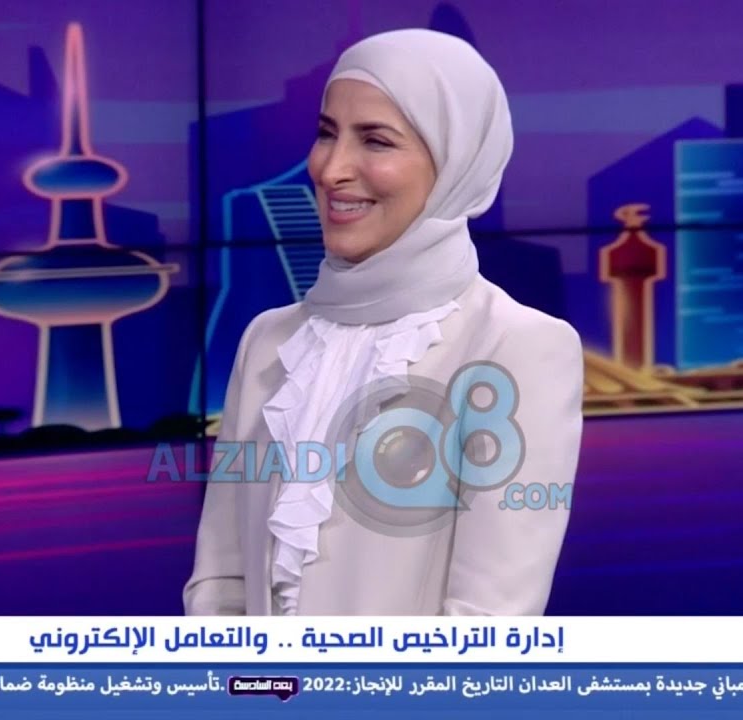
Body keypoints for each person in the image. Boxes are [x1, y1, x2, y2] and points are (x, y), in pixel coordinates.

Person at [184, 28, 583, 616]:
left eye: (375, 141)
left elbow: (490, 623)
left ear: (454, 166)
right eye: (327, 133)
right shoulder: (269, 340)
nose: (330, 169)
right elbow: (220, 582)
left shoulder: (517, 346)